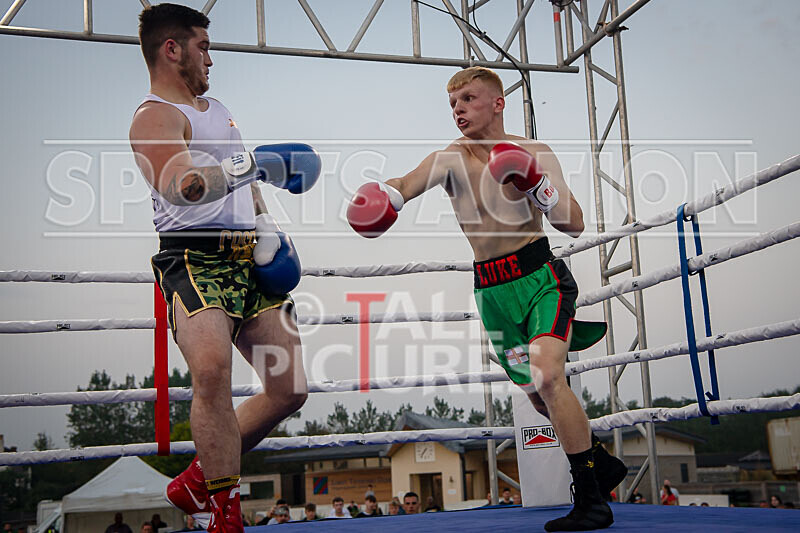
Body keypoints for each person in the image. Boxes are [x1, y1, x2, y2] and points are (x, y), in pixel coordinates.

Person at [346, 66, 626, 531]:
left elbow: (573, 223)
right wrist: (386, 196)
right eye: (453, 104)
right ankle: (599, 460)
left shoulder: (534, 151)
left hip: (541, 280)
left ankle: (591, 499)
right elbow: (407, 184)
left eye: (469, 99)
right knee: (537, 393)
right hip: (492, 295)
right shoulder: (449, 159)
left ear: (498, 103)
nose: (458, 110)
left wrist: (537, 185)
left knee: (548, 374)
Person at [130, 4, 318, 532]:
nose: (210, 58)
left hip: (246, 253)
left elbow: (246, 183)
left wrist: (268, 227)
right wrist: (252, 164)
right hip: (194, 257)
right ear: (173, 49)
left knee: (289, 388)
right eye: (204, 47)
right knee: (212, 371)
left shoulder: (219, 109)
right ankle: (224, 512)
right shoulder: (154, 117)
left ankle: (197, 479)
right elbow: (181, 187)